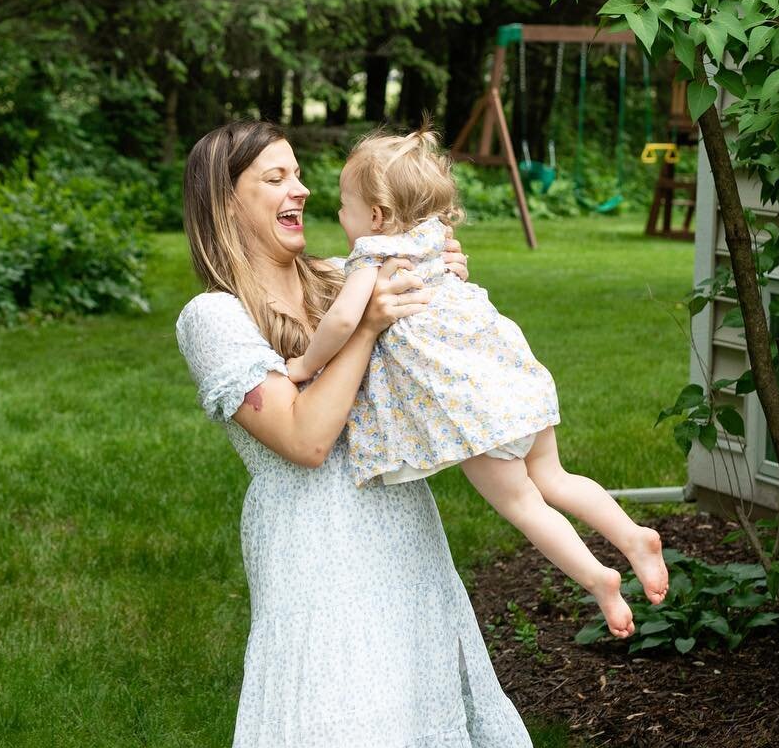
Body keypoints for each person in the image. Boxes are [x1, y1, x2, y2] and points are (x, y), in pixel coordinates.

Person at [174, 120, 546, 748]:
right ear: (227, 202)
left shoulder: (344, 277)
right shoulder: (214, 317)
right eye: (275, 179)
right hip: (309, 544)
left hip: (399, 533)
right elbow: (302, 436)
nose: (298, 191)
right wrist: (370, 323)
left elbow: (434, 287)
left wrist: (431, 261)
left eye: (303, 176)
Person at [286, 129, 669, 637]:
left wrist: (303, 366)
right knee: (556, 478)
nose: (338, 215)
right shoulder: (436, 241)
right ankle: (634, 537)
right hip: (511, 380)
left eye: (343, 205)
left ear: (375, 215)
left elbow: (339, 323)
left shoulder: (375, 257)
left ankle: (599, 580)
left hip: (473, 407)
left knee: (522, 503)